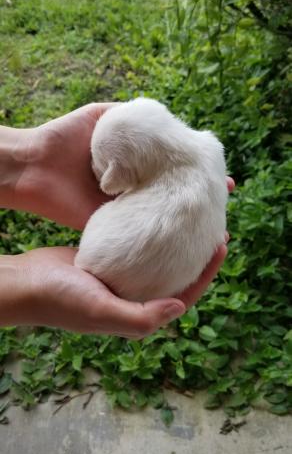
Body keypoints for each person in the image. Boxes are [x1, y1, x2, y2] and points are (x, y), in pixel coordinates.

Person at [0, 103, 234, 337]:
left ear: (118, 175)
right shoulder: (211, 149)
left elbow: (110, 185)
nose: (92, 165)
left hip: (105, 258)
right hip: (162, 277)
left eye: (97, 162)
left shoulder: (117, 179)